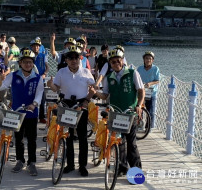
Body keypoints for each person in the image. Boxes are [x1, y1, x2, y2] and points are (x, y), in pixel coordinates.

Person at [93, 48, 144, 176]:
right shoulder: (109, 77)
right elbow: (105, 96)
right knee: (118, 141)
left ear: (123, 61)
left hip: (129, 113)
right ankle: (121, 168)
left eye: (118, 61)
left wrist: (139, 105)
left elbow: (141, 90)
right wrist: (95, 93)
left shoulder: (133, 73)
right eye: (113, 62)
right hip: (115, 114)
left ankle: (136, 171)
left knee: (131, 144)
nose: (116, 64)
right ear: (110, 64)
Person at [47, 45, 95, 177]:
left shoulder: (86, 72)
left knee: (82, 137)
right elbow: (55, 88)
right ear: (66, 59)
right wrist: (51, 85)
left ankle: (83, 165)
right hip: (66, 104)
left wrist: (87, 99)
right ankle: (70, 164)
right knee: (67, 135)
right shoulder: (61, 72)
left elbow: (93, 89)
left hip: (81, 104)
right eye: (70, 58)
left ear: (80, 59)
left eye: (76, 57)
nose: (74, 60)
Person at [0, 48, 44, 176]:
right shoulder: (13, 75)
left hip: (31, 113)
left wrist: (34, 104)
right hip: (16, 112)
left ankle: (32, 163)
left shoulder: (38, 78)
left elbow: (39, 93)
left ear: (33, 63)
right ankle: (20, 160)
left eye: (30, 62)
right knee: (18, 139)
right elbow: (1, 87)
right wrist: (0, 79)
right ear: (20, 63)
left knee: (32, 139)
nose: (27, 64)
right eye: (25, 62)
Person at [137, 51, 160, 128]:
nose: (148, 60)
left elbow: (157, 80)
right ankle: (139, 125)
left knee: (151, 112)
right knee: (139, 109)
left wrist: (150, 83)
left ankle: (149, 127)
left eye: (150, 59)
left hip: (151, 93)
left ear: (152, 60)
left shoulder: (155, 69)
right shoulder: (139, 69)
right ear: (143, 59)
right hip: (141, 92)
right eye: (146, 58)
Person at [30, 39, 49, 124]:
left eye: (37, 46)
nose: (36, 47)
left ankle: (41, 116)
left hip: (41, 79)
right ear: (31, 47)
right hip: (31, 79)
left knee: (42, 99)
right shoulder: (29, 55)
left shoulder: (43, 55)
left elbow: (47, 67)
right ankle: (32, 115)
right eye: (34, 46)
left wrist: (45, 73)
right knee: (31, 98)